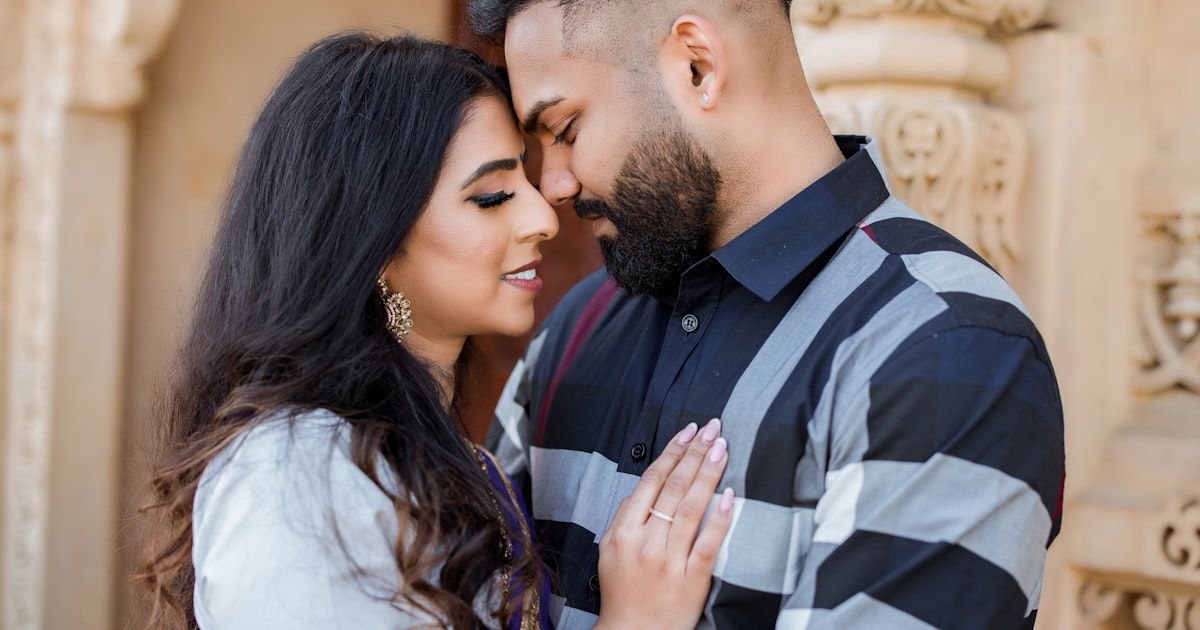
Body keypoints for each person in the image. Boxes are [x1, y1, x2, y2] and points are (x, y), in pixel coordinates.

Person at [469, 1, 1067, 628]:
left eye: (564, 131)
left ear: (698, 66)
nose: (554, 186)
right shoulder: (581, 323)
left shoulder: (948, 345)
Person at [135, 32, 736, 630]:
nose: (541, 216)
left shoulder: (452, 459)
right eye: (492, 195)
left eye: (524, 181)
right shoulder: (298, 471)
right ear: (370, 244)